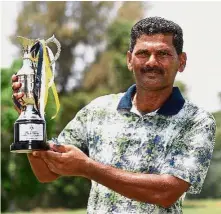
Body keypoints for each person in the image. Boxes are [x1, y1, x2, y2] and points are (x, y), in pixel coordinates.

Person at [12, 17, 216, 214]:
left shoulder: (196, 121)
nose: (152, 62)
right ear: (129, 60)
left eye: (163, 54)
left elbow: (166, 192)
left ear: (181, 61)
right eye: (143, 53)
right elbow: (46, 173)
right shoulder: (98, 110)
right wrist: (30, 116)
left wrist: (88, 168)